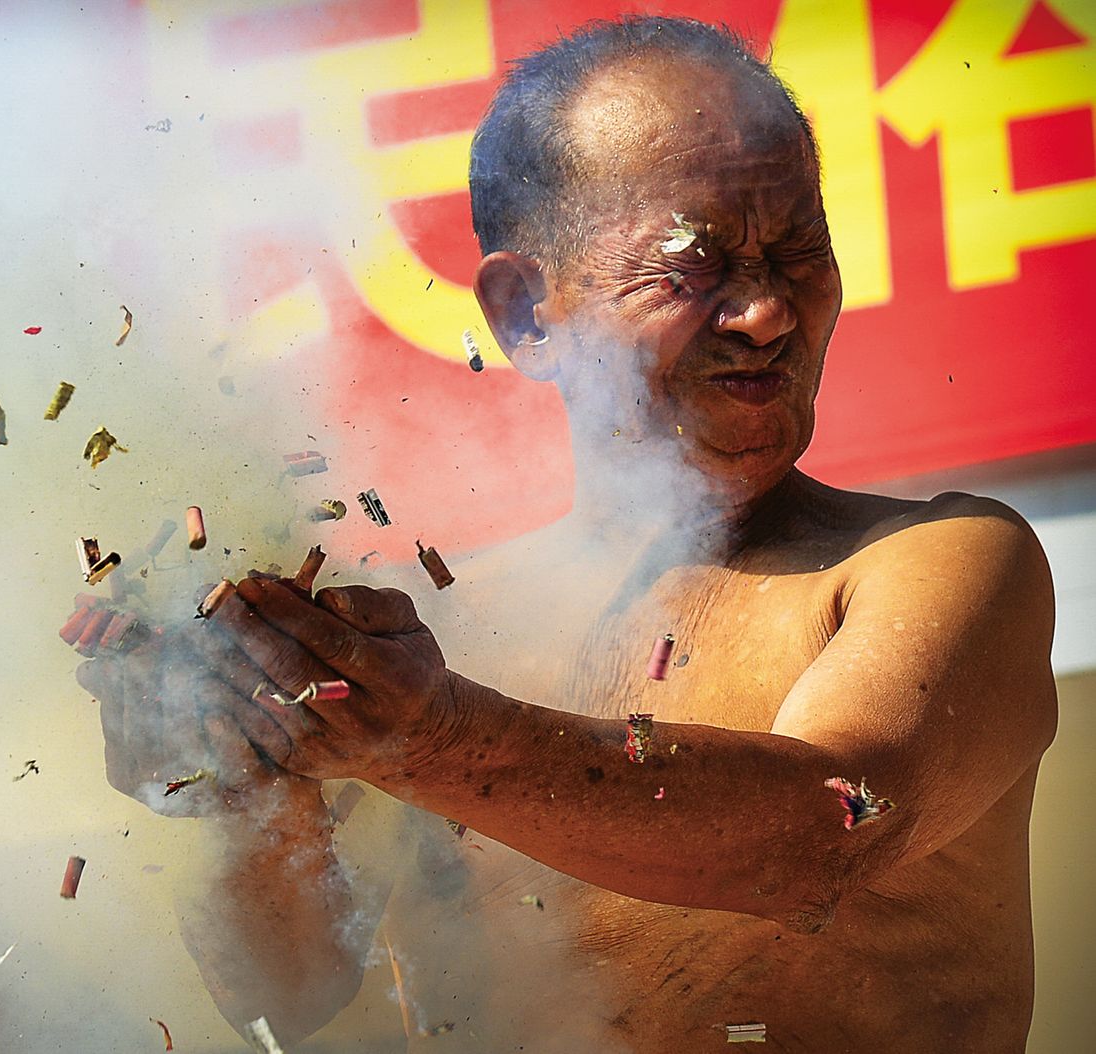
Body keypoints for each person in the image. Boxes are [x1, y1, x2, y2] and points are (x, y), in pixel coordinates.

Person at [75, 15, 1058, 1052]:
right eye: (693, 263)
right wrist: (236, 767)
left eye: (797, 247)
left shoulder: (937, 564)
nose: (766, 310)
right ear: (528, 315)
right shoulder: (431, 631)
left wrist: (433, 738)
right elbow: (287, 993)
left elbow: (823, 834)